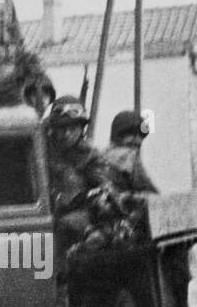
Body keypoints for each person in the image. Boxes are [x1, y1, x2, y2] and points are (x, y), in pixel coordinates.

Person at [103, 111, 197, 307]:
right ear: (119, 136)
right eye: (131, 135)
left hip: (112, 221)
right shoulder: (126, 157)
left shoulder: (104, 155)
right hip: (127, 222)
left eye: (140, 137)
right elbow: (148, 189)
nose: (136, 141)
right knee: (178, 247)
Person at [44, 96, 134, 260]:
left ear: (81, 129)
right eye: (61, 128)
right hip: (48, 218)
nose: (66, 134)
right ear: (52, 128)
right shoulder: (41, 150)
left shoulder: (89, 155)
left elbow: (105, 185)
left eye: (73, 128)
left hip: (79, 217)